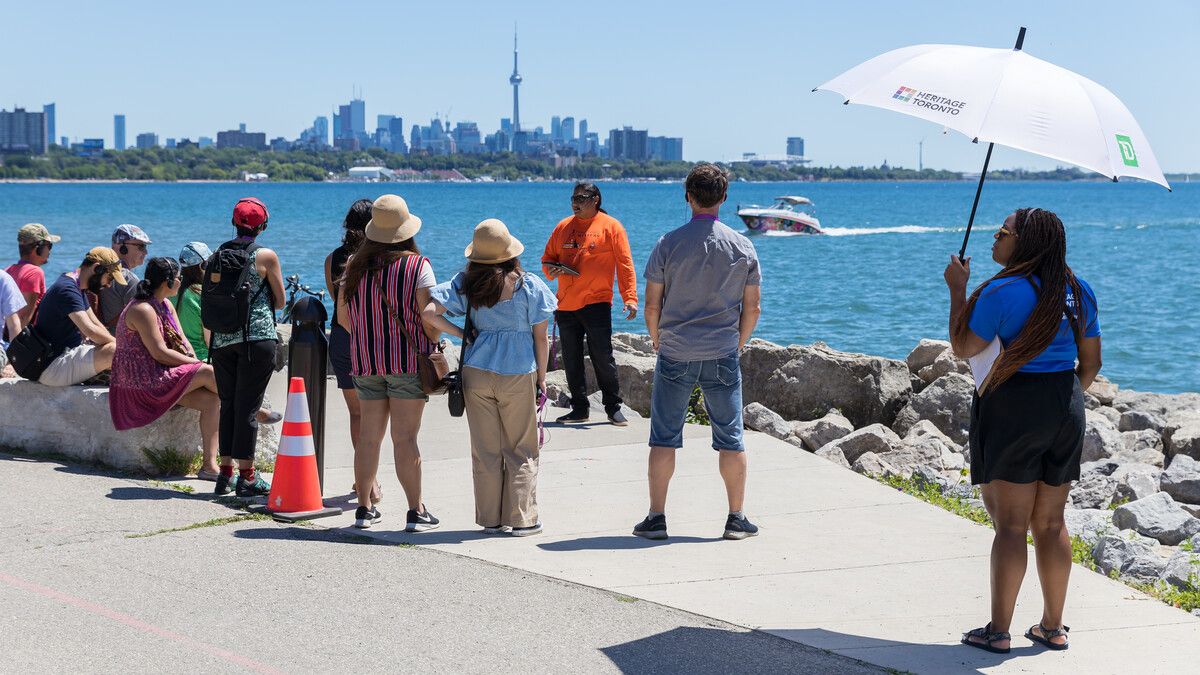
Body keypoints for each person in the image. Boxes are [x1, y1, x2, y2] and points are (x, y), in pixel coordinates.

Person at [947, 208, 1101, 654]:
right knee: (1051, 524)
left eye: (1003, 232)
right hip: (1065, 403)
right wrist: (1058, 402)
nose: (995, 238)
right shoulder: (1079, 291)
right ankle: (1053, 627)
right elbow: (1090, 365)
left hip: (1014, 404)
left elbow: (962, 348)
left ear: (1025, 242)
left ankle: (998, 632)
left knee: (1011, 527)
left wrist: (958, 291)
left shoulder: (1001, 291)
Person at [635, 163, 762, 542]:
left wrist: (656, 339)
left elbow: (652, 305)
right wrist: (738, 342)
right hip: (722, 350)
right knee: (730, 436)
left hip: (674, 349)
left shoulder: (667, 244)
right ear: (723, 198)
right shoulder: (743, 245)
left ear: (687, 197)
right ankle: (736, 518)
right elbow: (752, 308)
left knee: (664, 436)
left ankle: (657, 518)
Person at [424, 219, 557, 536]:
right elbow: (542, 339)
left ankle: (490, 520)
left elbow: (429, 313)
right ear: (510, 253)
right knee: (521, 448)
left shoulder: (466, 282)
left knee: (486, 449)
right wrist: (541, 377)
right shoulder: (529, 286)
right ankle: (523, 519)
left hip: (477, 372)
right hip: (517, 372)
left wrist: (462, 334)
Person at [337, 194, 439, 532]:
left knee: (369, 437)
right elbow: (429, 318)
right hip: (408, 363)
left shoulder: (352, 265)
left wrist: (369, 338)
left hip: (366, 363)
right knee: (405, 439)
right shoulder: (417, 265)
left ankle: (364, 509)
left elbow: (344, 319)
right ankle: (415, 511)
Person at [541, 181, 638, 426]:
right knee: (571, 358)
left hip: (597, 303)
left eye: (581, 198)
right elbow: (547, 259)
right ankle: (579, 408)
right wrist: (552, 270)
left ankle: (613, 407)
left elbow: (624, 264)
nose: (575, 203)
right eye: (573, 198)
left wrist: (630, 297)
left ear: (596, 199)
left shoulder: (611, 227)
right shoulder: (563, 227)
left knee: (602, 356)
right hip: (566, 304)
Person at [208, 198, 285, 497]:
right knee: (249, 407)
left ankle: (224, 475)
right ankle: (248, 477)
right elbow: (279, 301)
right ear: (262, 226)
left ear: (234, 222)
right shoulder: (265, 256)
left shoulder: (217, 254)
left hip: (223, 339)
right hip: (256, 339)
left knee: (228, 404)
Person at [324, 198, 380, 503]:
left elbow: (338, 301)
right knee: (376, 414)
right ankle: (369, 482)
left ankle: (365, 482)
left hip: (342, 339)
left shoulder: (332, 259)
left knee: (357, 413)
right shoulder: (378, 257)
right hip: (370, 340)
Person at [31, 247, 125, 387]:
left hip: (65, 357)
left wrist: (118, 345)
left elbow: (96, 325)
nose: (109, 284)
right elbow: (90, 331)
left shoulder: (76, 286)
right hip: (53, 367)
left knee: (115, 349)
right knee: (114, 351)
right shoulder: (67, 289)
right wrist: (123, 349)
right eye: (109, 277)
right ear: (97, 268)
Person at [99, 224, 152, 332]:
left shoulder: (99, 271)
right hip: (119, 341)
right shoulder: (128, 279)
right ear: (122, 247)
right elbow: (144, 319)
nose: (146, 252)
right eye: (141, 246)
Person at [6, 223, 60, 328]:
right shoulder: (34, 272)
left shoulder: (8, 270)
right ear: (38, 249)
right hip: (17, 338)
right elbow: (23, 318)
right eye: (49, 246)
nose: (50, 251)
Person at [173, 242, 212, 362]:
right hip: (201, 358)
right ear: (203, 266)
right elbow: (209, 339)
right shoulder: (202, 294)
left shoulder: (171, 292)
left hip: (176, 356)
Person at [1, 268, 27, 373]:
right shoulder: (3, 278)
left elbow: (14, 326)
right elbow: (13, 326)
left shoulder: (3, 279)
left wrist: (14, 363)